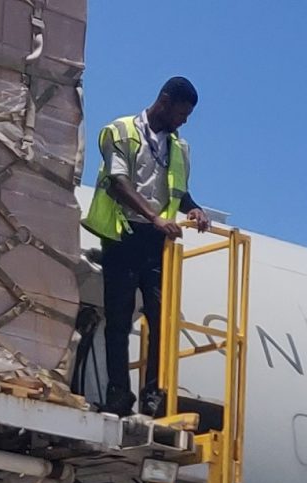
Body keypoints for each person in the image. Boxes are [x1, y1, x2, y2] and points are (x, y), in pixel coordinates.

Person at [83, 75, 210, 416]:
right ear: (164, 102)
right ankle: (118, 394)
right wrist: (154, 217)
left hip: (157, 242)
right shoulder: (121, 131)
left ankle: (154, 393)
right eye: (181, 113)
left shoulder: (179, 148)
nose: (184, 121)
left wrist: (194, 208)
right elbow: (118, 183)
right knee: (119, 320)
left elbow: (178, 194)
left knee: (161, 319)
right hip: (123, 236)